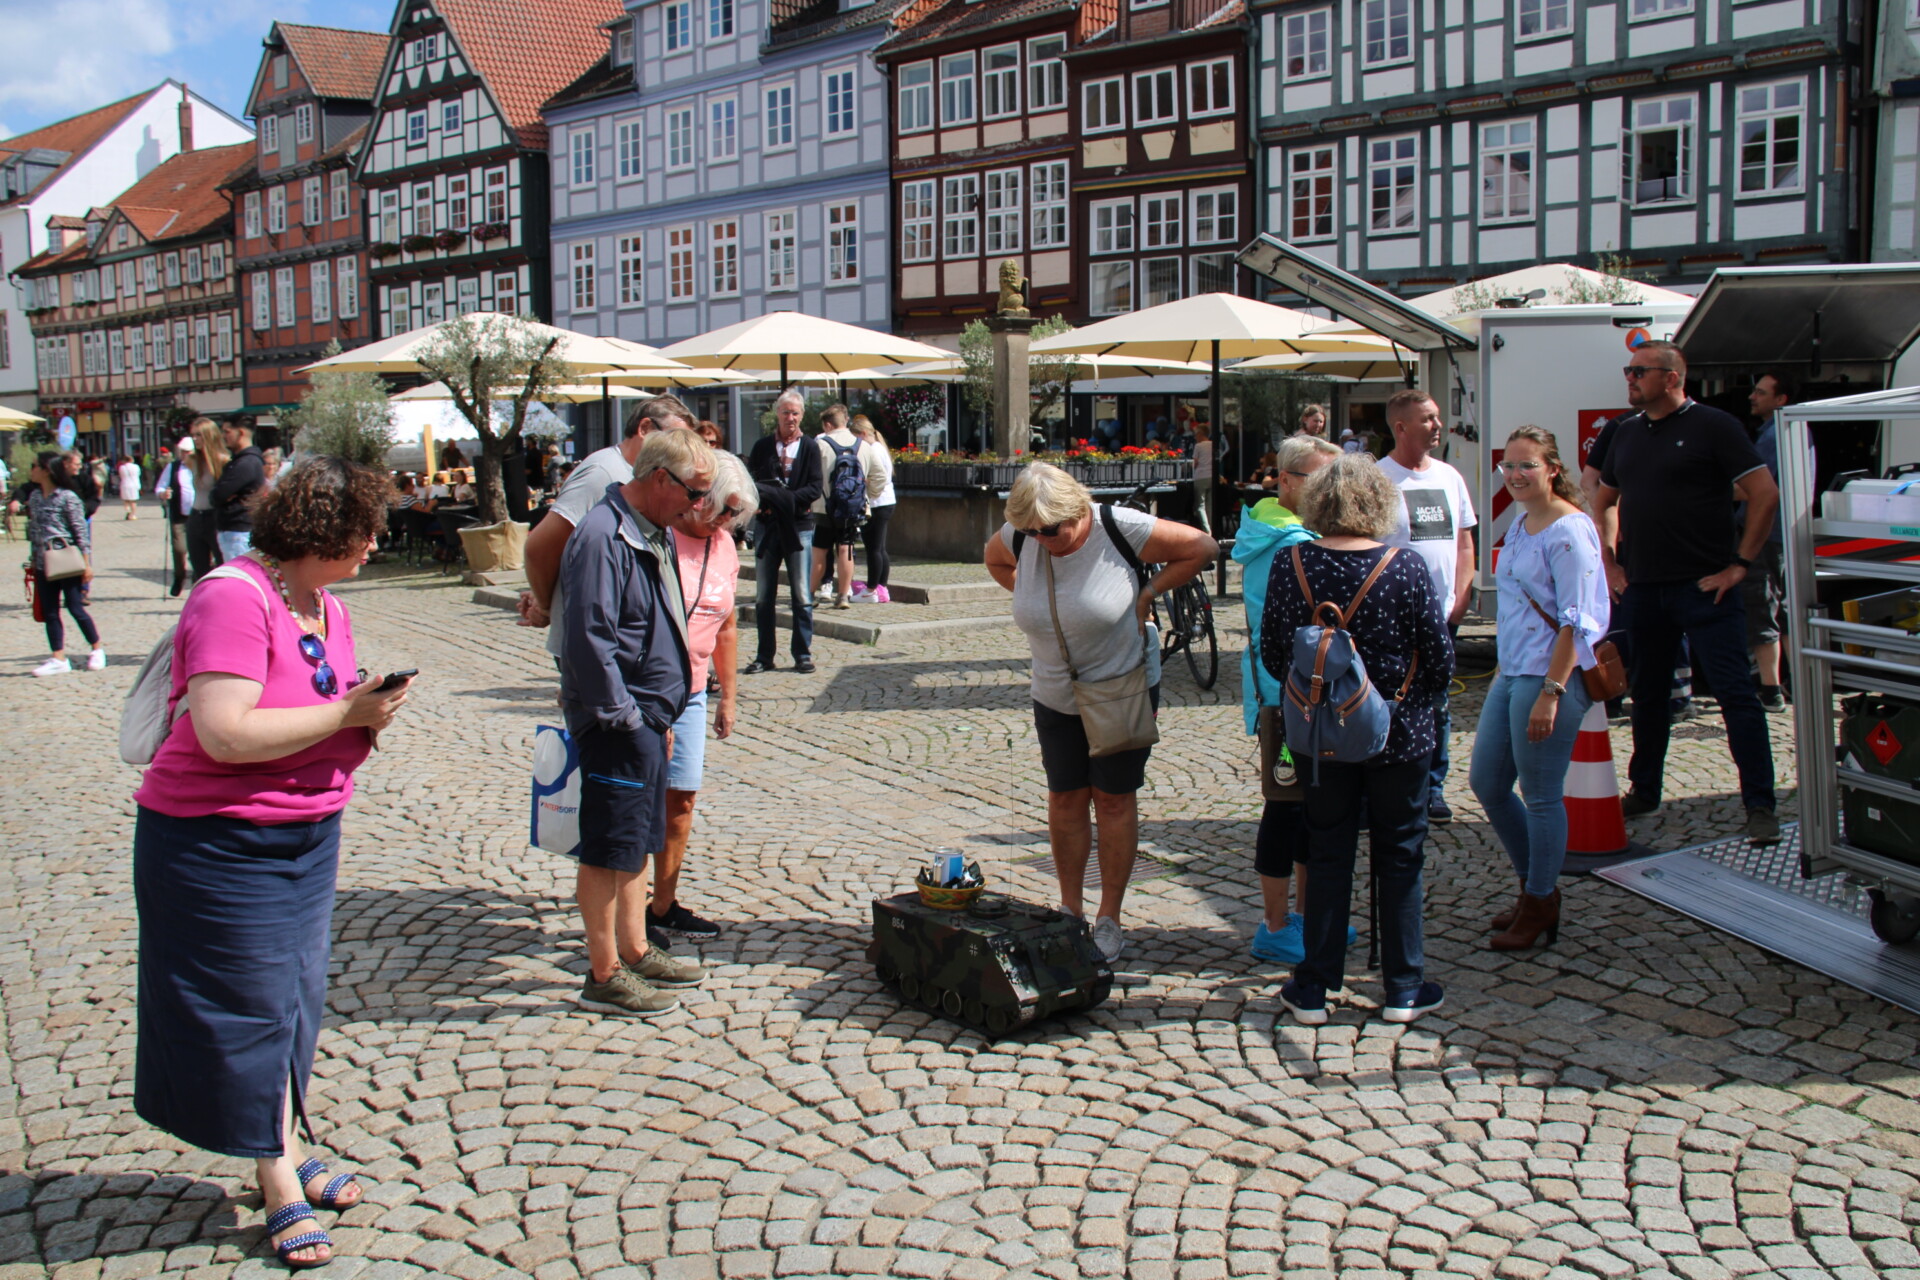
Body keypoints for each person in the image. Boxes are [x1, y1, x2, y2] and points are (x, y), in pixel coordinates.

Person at [131, 457, 412, 1270]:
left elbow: (319, 707)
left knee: (292, 1000)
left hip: (305, 832)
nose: (373, 546)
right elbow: (224, 732)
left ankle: (281, 1138)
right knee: (248, 1007)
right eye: (364, 532)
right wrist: (345, 711)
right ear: (322, 531)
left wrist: (366, 710)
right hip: (216, 839)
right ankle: (277, 1175)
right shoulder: (231, 595)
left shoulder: (322, 602)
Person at [983, 463, 1216, 962]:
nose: (1042, 538)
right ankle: (1070, 911)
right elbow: (995, 560)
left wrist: (1149, 594)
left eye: (1052, 529)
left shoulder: (1116, 527)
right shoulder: (1022, 534)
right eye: (1031, 531)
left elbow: (1203, 547)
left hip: (1120, 687)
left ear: (1076, 510)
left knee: (1112, 800)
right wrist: (1033, 595)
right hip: (1054, 691)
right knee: (1065, 800)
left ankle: (1109, 916)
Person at [1262, 455, 1455, 1025]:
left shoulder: (1290, 561)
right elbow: (1440, 661)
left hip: (1321, 735)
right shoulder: (1406, 566)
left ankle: (1315, 987)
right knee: (1400, 853)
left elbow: (1276, 655)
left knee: (1327, 853)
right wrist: (1398, 703)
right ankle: (1402, 986)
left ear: (1316, 501)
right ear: (1380, 503)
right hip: (1399, 732)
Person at [1592, 341, 1780, 842]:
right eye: (1627, 369)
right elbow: (1603, 498)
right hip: (1645, 587)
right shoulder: (1626, 432)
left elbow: (1765, 493)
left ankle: (1760, 805)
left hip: (1705, 587)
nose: (1629, 378)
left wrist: (1740, 564)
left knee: (1737, 696)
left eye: (1639, 371)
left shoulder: (1714, 426)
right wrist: (1609, 561)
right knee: (1649, 696)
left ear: (1673, 378)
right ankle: (1645, 789)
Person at [555, 429, 714, 1016]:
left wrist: (659, 715)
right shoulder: (603, 534)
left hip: (647, 719)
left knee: (636, 843)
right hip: (618, 722)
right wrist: (625, 717)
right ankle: (604, 974)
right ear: (657, 480)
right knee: (607, 848)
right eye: (694, 493)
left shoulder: (650, 529)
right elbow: (590, 640)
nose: (699, 506)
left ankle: (636, 947)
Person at [1469, 428, 1610, 951]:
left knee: (1543, 796)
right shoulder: (1524, 525)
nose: (1515, 475)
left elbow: (1578, 619)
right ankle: (1536, 890)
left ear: (1552, 467)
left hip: (1548, 675)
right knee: (1487, 782)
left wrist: (1552, 691)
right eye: (1508, 466)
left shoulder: (1569, 530)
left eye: (1527, 465)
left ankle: (1541, 900)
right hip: (1511, 672)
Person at [1233, 435, 1343, 964]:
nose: (1334, 492)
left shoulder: (1283, 531)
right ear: (1290, 480)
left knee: (1307, 813)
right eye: (1325, 481)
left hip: (1296, 695)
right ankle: (1275, 925)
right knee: (1284, 813)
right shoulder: (1287, 542)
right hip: (1285, 699)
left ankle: (1304, 916)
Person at [651, 454, 755, 948]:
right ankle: (624, 913)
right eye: (722, 509)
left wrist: (727, 697)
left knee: (681, 800)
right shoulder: (659, 539)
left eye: (735, 514)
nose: (726, 521)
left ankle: (661, 906)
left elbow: (727, 625)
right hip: (650, 692)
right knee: (641, 803)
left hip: (692, 691)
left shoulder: (726, 546)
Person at [1374, 389, 1476, 824]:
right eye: (1428, 419)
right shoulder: (1377, 479)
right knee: (1386, 701)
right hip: (1391, 618)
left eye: (1437, 418)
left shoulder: (1450, 476)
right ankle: (1383, 785)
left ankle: (1432, 788)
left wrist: (1461, 596)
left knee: (1437, 704)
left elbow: (1465, 540)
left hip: (1442, 617)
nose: (1438, 426)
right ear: (1401, 427)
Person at [519, 395, 695, 637]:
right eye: (673, 438)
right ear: (644, 428)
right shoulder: (602, 473)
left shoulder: (639, 472)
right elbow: (540, 547)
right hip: (599, 635)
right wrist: (546, 605)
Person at [745, 389, 824, 673]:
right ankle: (764, 655)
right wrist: (772, 501)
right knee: (764, 596)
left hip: (798, 527)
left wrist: (785, 500)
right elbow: (753, 484)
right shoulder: (763, 446)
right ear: (777, 414)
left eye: (795, 413)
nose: (790, 418)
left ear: (801, 416)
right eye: (785, 412)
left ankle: (802, 653)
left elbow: (815, 487)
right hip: (768, 526)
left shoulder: (811, 447)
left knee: (802, 595)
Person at [17, 451, 103, 676]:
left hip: (66, 561)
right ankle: (58, 657)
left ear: (47, 470)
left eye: (35, 466)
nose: (31, 470)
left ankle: (96, 649)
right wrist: (33, 563)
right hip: (43, 563)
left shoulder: (68, 497)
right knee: (50, 611)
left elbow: (80, 532)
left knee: (75, 607)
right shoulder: (35, 497)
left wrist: (87, 564)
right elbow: (35, 531)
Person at [1744, 372, 1793, 712]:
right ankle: (1796, 684)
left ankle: (1771, 690)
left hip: (1765, 534)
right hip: (1779, 533)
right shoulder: (1787, 431)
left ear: (1781, 400)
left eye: (1760, 392)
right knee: (1784, 610)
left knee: (1764, 609)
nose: (1752, 397)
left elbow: (1753, 488)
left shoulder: (1774, 437)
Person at [810, 403, 887, 610]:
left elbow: (810, 477)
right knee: (846, 549)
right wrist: (868, 496)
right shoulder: (863, 445)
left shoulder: (819, 444)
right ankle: (843, 595)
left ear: (827, 424)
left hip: (824, 508)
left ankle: (809, 594)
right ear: (845, 421)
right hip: (852, 507)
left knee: (820, 551)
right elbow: (880, 476)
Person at [849, 414, 895, 603]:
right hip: (886, 501)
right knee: (880, 548)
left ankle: (871, 589)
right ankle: (881, 586)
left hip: (877, 502)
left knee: (873, 548)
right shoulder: (880, 447)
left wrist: (866, 484)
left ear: (863, 433)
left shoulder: (873, 450)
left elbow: (879, 477)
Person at [213, 417, 267, 561]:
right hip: (233, 530)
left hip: (239, 532)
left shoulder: (247, 463)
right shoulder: (239, 461)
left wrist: (221, 496)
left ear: (241, 432)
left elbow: (218, 495)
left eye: (227, 432)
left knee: (238, 578)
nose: (224, 436)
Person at [187, 418, 228, 581]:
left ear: (209, 436)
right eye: (193, 435)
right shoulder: (192, 460)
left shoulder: (223, 460)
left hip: (214, 516)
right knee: (198, 566)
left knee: (221, 564)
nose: (195, 439)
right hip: (196, 515)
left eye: (199, 435)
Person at [155, 438, 197, 596]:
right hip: (179, 515)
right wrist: (163, 493)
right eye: (183, 452)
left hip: (198, 515)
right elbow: (160, 486)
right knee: (179, 549)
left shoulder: (201, 467)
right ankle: (179, 577)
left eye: (188, 452)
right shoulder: (172, 467)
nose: (185, 455)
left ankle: (197, 579)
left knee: (197, 552)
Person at [1191, 422, 1215, 534]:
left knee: (1200, 505)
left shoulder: (1198, 446)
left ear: (1201, 434)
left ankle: (1206, 530)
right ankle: (1211, 528)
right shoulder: (1213, 444)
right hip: (1211, 476)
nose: (1195, 436)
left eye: (1196, 434)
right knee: (1209, 505)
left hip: (1200, 476)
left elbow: (1195, 463)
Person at [117, 453, 143, 519]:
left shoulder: (122, 467)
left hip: (124, 484)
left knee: (126, 500)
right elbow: (138, 475)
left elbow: (121, 476)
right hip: (134, 485)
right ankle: (132, 515)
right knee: (133, 501)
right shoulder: (136, 467)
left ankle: (128, 511)